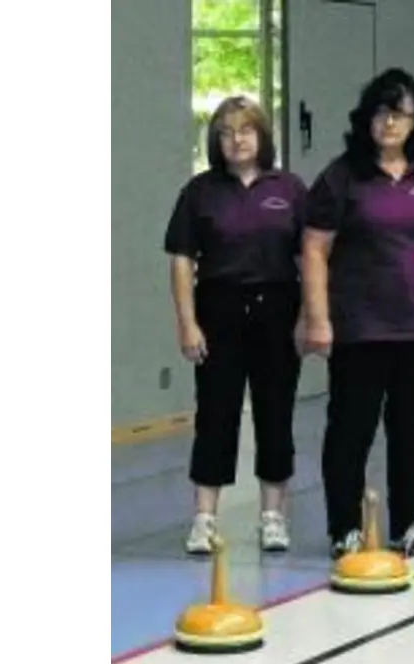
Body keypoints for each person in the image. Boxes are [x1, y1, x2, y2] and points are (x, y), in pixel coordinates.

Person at [300, 68, 414, 560]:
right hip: (361, 327)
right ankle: (344, 529)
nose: (390, 122)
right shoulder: (342, 176)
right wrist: (318, 318)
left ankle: (408, 526)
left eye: (400, 113)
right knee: (351, 429)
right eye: (381, 111)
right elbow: (313, 249)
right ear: (366, 118)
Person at [163, 96, 306, 555]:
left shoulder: (290, 189)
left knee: (275, 412)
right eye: (225, 132)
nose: (236, 139)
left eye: (245, 130)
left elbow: (310, 257)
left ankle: (273, 516)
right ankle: (205, 518)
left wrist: (309, 316)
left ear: (262, 136)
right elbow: (182, 261)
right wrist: (188, 323)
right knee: (216, 414)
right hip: (219, 309)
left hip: (278, 307)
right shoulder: (200, 192)